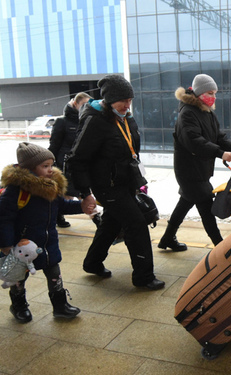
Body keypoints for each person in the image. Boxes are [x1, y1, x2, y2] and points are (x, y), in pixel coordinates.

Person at [67, 74, 165, 290]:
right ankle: (144, 277)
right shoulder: (95, 120)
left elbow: (131, 151)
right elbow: (76, 158)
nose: (127, 105)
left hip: (126, 182)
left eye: (130, 100)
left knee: (112, 223)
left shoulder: (126, 117)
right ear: (109, 99)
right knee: (136, 223)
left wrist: (138, 180)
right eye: (123, 101)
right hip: (107, 185)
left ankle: (92, 263)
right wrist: (84, 193)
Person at [0, 142, 86, 322]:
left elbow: (61, 206)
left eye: (51, 165)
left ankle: (60, 305)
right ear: (29, 168)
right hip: (21, 246)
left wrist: (81, 206)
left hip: (47, 243)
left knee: (54, 274)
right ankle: (18, 305)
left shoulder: (51, 186)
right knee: (18, 278)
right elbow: (3, 219)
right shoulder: (16, 190)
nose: (50, 169)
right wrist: (5, 245)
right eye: (45, 166)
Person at [158, 74, 231, 251]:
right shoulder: (187, 113)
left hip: (200, 169)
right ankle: (221, 248)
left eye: (215, 93)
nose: (213, 96)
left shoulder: (206, 111)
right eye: (209, 92)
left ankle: (167, 238)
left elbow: (218, 136)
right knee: (206, 206)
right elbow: (194, 141)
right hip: (189, 171)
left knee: (184, 203)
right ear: (199, 93)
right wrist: (220, 153)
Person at [48, 92, 91, 228]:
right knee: (66, 194)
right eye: (83, 105)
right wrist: (51, 165)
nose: (86, 107)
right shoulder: (62, 122)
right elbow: (54, 145)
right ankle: (58, 216)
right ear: (75, 104)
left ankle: (97, 218)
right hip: (64, 164)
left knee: (82, 193)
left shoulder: (88, 120)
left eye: (88, 105)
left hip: (81, 164)